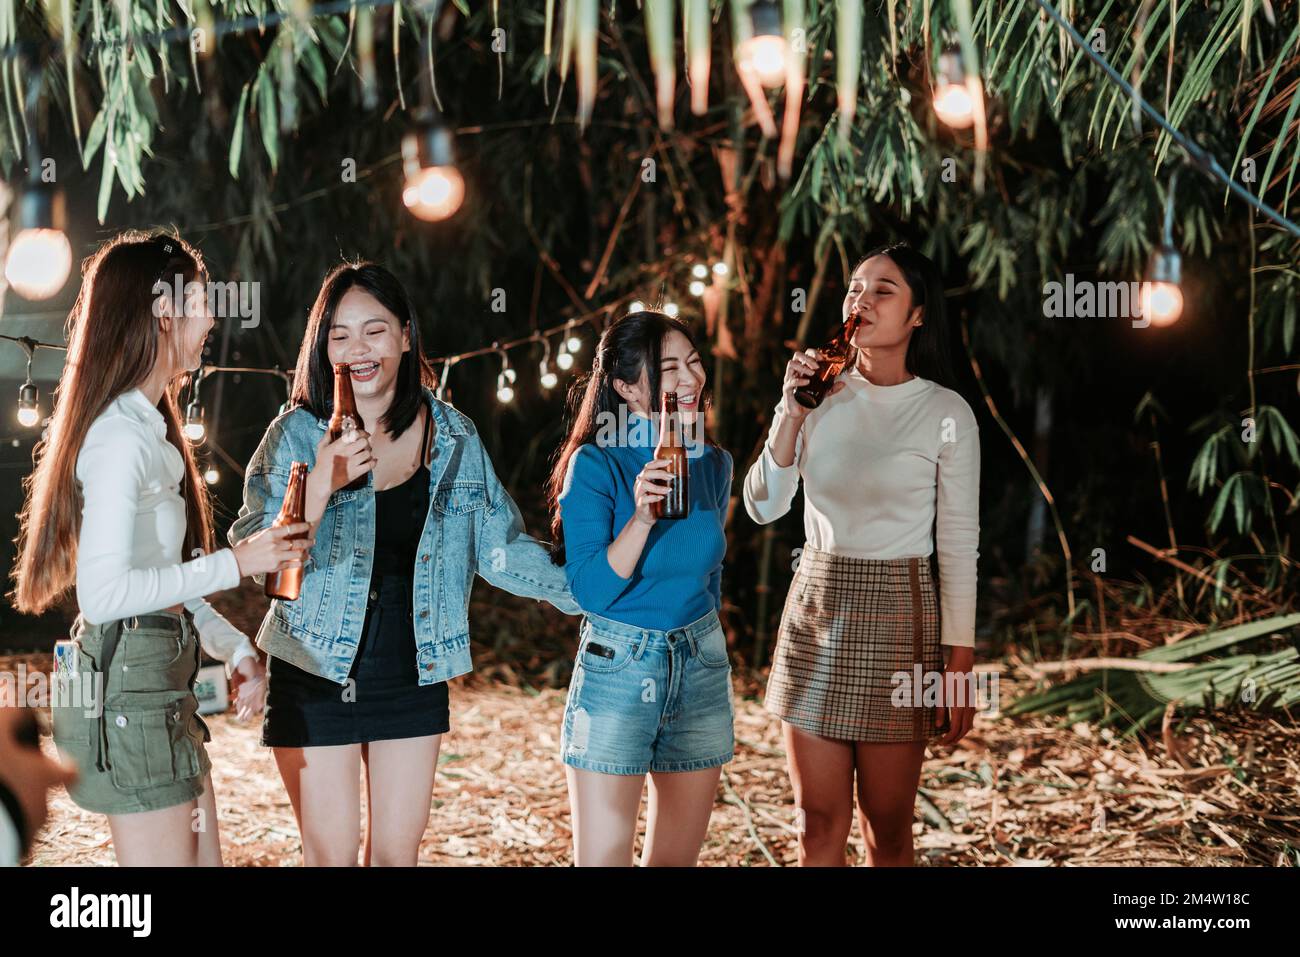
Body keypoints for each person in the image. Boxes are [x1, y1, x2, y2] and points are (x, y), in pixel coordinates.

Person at [229, 261, 579, 866]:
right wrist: (323, 482)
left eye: (375, 330)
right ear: (322, 346)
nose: (357, 349)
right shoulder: (296, 433)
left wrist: (598, 590)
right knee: (330, 859)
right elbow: (260, 551)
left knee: (396, 857)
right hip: (313, 664)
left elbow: (499, 549)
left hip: (414, 670)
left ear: (406, 335)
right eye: (339, 334)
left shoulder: (452, 436)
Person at [9, 230, 309, 866]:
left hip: (158, 684)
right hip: (130, 692)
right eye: (202, 302)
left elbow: (164, 585)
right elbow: (107, 595)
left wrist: (235, 649)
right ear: (162, 313)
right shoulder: (121, 437)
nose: (213, 318)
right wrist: (240, 561)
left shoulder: (149, 429)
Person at [743, 243, 981, 866]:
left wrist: (959, 663)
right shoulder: (819, 392)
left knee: (888, 829)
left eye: (884, 290)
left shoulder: (944, 412)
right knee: (815, 823)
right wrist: (791, 413)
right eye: (855, 287)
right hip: (816, 609)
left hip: (900, 618)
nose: (861, 300)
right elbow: (762, 505)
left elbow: (959, 544)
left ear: (919, 315)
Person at [546, 310, 734, 866]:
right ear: (627, 388)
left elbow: (709, 574)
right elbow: (591, 592)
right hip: (619, 668)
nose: (689, 379)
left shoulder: (714, 463)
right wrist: (644, 518)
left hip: (699, 662)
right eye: (668, 367)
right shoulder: (595, 462)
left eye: (693, 363)